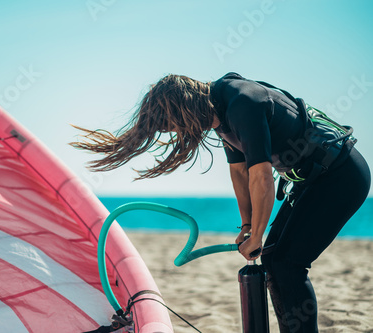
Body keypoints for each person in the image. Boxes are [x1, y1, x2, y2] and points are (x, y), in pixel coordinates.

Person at [71, 72, 370, 332]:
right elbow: (240, 173)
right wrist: (249, 225)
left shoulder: (243, 104)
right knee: (275, 258)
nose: (178, 133)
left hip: (341, 175)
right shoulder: (221, 117)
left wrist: (258, 234)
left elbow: (261, 177)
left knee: (287, 263)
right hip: (313, 178)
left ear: (186, 108)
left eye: (175, 125)